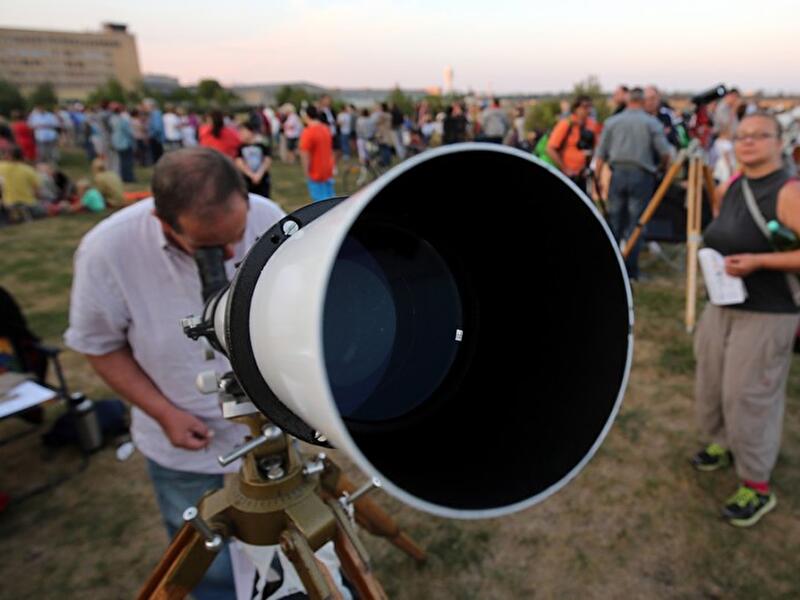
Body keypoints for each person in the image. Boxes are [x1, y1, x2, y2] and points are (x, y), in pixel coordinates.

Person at [64, 148, 286, 599]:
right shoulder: (107, 250)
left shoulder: (267, 217)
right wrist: (163, 412)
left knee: (284, 538)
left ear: (244, 198)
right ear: (164, 222)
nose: (229, 253)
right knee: (209, 562)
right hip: (184, 435)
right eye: (209, 247)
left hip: (269, 424)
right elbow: (99, 347)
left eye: (237, 237)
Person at [691, 112, 800, 527]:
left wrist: (760, 261)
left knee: (749, 395)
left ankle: (756, 484)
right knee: (714, 383)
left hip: (767, 311)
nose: (749, 142)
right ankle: (722, 442)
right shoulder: (737, 184)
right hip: (723, 303)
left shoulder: (788, 192)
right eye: (742, 136)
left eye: (760, 136)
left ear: (779, 142)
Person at [595, 87, 673, 280]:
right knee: (636, 224)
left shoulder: (612, 122)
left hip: (618, 175)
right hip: (642, 176)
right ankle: (630, 271)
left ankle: (610, 265)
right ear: (642, 101)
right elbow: (665, 152)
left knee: (615, 221)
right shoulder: (651, 122)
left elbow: (600, 154)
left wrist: (597, 178)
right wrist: (662, 169)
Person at [546, 95, 600, 193]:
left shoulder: (592, 125)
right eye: (584, 107)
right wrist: (565, 168)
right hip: (568, 176)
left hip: (583, 175)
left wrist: (590, 167)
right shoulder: (566, 124)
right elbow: (550, 148)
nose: (588, 110)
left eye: (590, 106)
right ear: (576, 108)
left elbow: (596, 147)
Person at [298, 105, 335, 202]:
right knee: (332, 203)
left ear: (306, 116)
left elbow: (305, 155)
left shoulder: (308, 132)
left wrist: (306, 173)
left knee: (321, 206)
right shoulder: (325, 128)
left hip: (316, 174)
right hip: (328, 170)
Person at [0, 146, 42, 220]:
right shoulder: (29, 170)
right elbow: (38, 193)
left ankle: (15, 213)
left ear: (8, 156)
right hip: (29, 204)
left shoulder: (2, 167)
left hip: (8, 204)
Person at [235, 123, 272, 199]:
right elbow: (239, 162)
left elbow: (267, 160)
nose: (240, 134)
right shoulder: (240, 148)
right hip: (247, 180)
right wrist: (251, 175)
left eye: (243, 131)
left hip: (262, 179)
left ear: (251, 132)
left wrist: (259, 174)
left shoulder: (262, 145)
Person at [109, 103, 136, 183]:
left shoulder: (112, 120)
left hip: (116, 142)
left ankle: (122, 176)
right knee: (127, 161)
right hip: (124, 143)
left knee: (120, 161)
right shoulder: (122, 120)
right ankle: (128, 177)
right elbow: (129, 132)